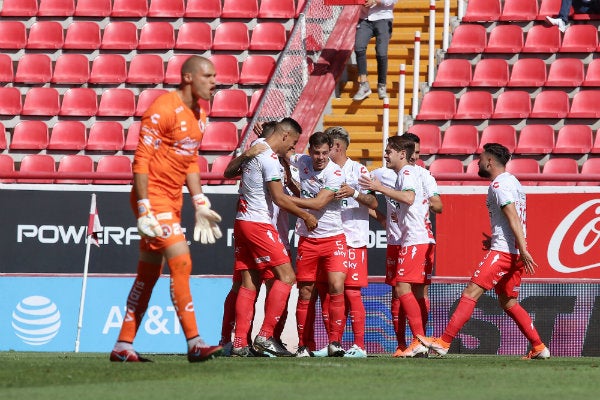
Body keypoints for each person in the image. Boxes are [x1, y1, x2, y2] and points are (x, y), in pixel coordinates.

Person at [110, 56, 224, 363]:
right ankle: (195, 342)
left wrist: (199, 201)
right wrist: (145, 207)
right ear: (188, 77)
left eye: (215, 76)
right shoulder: (162, 109)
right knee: (181, 262)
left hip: (173, 201)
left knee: (148, 273)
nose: (214, 81)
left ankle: (123, 345)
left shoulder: (201, 111)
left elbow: (190, 159)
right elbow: (141, 160)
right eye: (208, 76)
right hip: (153, 199)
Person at [417, 143, 551, 360]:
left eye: (480, 158)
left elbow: (513, 216)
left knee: (471, 292)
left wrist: (523, 249)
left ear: (490, 161)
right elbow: (514, 218)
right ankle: (538, 346)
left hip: (505, 252)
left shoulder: (499, 185)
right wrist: (519, 247)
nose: (477, 162)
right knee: (508, 301)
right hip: (513, 251)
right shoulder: (513, 182)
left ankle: (443, 342)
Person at [229, 118, 318, 357]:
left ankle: (239, 343)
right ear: (285, 136)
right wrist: (305, 215)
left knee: (249, 282)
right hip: (258, 224)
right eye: (294, 142)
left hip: (242, 221)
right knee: (287, 276)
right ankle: (266, 335)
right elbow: (279, 198)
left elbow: (229, 171)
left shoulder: (256, 147)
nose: (294, 147)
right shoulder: (268, 158)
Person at [359, 136, 429, 358]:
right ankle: (411, 343)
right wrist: (383, 218)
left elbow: (410, 198)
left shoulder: (410, 173)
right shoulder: (395, 174)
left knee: (405, 290)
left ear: (402, 154)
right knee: (399, 290)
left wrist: (380, 188)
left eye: (389, 151)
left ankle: (419, 340)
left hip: (415, 239)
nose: (385, 155)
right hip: (405, 239)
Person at [314, 126, 378, 358]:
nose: (321, 153)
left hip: (352, 240)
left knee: (351, 294)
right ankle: (334, 343)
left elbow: (373, 202)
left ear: (336, 147)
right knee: (326, 293)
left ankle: (359, 346)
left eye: (326, 147)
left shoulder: (358, 170)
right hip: (326, 238)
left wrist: (354, 193)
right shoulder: (322, 171)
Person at [290, 132, 348, 357]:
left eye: (325, 153)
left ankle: (335, 342)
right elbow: (285, 152)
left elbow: (318, 203)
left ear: (331, 150)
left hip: (334, 238)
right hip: (308, 239)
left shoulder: (335, 172)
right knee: (305, 292)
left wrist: (284, 198)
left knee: (336, 286)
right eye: (316, 153)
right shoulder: (302, 161)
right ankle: (304, 345)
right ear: (310, 152)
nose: (321, 157)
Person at [352, 0, 399, 101]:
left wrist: (376, 1)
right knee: (359, 47)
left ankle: (382, 85)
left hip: (383, 17)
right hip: (364, 18)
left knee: (381, 52)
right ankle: (364, 85)